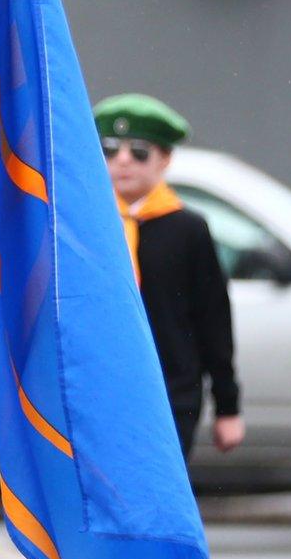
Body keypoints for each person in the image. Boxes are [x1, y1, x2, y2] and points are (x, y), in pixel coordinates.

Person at [93, 94, 243, 458]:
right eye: (110, 149)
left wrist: (227, 405)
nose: (123, 160)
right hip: (100, 389)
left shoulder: (187, 228)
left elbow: (213, 320)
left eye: (139, 151)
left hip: (170, 391)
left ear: (165, 159)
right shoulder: (87, 224)